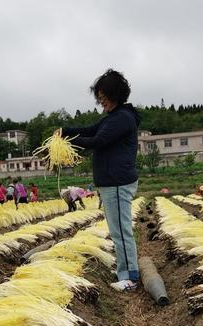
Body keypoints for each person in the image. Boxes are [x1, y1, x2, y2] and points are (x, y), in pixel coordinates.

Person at [58, 69, 140, 292]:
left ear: (114, 95)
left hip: (117, 182)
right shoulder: (113, 117)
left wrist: (69, 144)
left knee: (121, 230)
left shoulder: (122, 118)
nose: (101, 102)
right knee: (117, 230)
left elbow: (98, 140)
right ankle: (125, 269)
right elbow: (89, 130)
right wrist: (64, 132)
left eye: (103, 98)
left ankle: (130, 277)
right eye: (99, 98)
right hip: (111, 183)